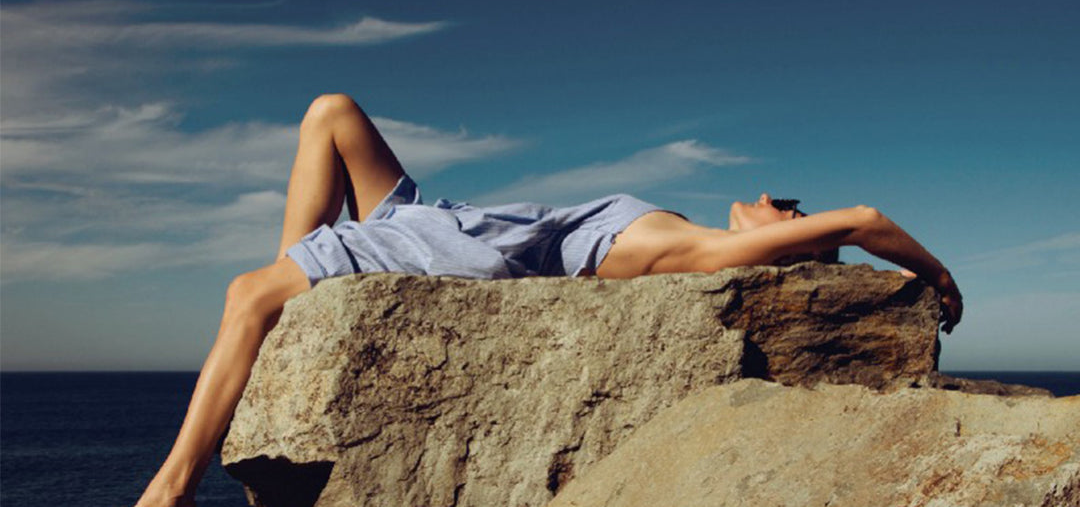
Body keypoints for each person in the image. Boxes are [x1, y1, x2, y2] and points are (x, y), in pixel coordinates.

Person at [134, 94, 963, 507]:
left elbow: (864, 221)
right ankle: (303, 271)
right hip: (451, 216)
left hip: (468, 252)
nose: (766, 198)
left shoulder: (700, 251)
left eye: (786, 206)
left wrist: (939, 278)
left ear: (792, 237)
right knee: (331, 112)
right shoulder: (681, 232)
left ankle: (171, 487)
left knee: (248, 293)